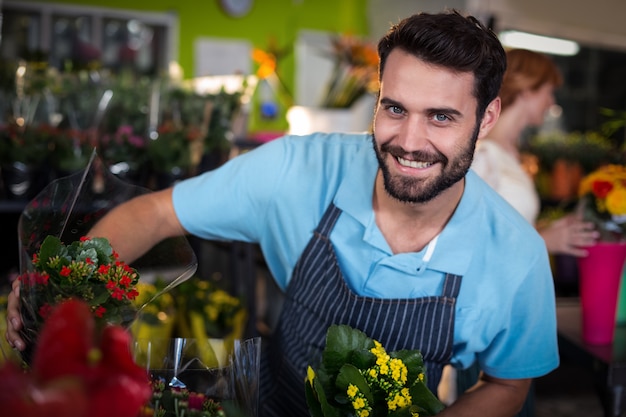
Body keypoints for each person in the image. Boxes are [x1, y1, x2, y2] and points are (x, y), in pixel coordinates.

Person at [6, 10, 559, 417]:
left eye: (441, 116)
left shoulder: (516, 256)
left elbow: (508, 383)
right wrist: (59, 290)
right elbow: (152, 214)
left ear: (486, 120)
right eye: (394, 108)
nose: (408, 141)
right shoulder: (297, 170)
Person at [471, 48, 599, 257]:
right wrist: (545, 241)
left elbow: (507, 229)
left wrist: (549, 228)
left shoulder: (510, 152)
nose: (551, 102)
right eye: (548, 92)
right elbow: (473, 241)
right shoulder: (484, 154)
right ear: (527, 89)